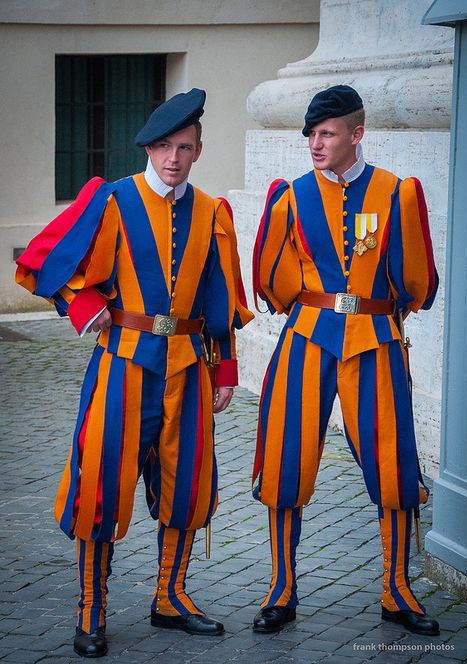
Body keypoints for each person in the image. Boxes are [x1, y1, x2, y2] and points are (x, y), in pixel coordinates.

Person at [16, 88, 253, 657]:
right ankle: (91, 610)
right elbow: (44, 259)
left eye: (186, 147)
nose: (174, 158)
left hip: (191, 369)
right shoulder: (113, 200)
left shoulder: (212, 213)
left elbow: (219, 298)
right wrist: (81, 305)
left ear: (198, 150)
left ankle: (170, 596)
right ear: (149, 147)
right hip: (122, 364)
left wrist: (224, 374)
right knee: (101, 484)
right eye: (165, 146)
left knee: (189, 484)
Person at [251, 85, 440, 636]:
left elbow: (417, 281)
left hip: (375, 341)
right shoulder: (290, 196)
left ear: (357, 134)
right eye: (311, 133)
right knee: (287, 459)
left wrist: (381, 315)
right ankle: (281, 590)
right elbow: (272, 276)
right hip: (307, 340)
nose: (315, 143)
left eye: (327, 133)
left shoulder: (397, 192)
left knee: (393, 463)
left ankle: (396, 590)